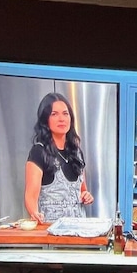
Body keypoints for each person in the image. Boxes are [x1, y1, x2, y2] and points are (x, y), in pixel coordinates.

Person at [24, 93, 94, 223]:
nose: (61, 119)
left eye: (65, 113)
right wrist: (35, 214)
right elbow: (30, 195)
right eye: (54, 114)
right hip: (51, 232)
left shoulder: (76, 152)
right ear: (46, 120)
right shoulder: (39, 152)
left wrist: (86, 196)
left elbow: (82, 190)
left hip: (80, 231)